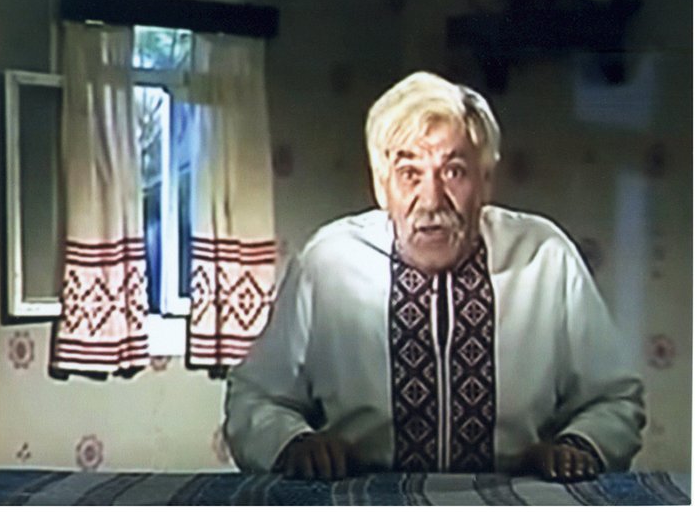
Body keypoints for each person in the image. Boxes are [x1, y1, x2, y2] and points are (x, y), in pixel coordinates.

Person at [224, 71, 645, 482]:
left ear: (485, 181)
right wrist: (295, 443)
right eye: (410, 174)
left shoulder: (545, 257)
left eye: (454, 171)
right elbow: (254, 398)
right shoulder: (327, 262)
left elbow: (614, 400)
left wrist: (577, 446)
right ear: (381, 185)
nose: (431, 200)